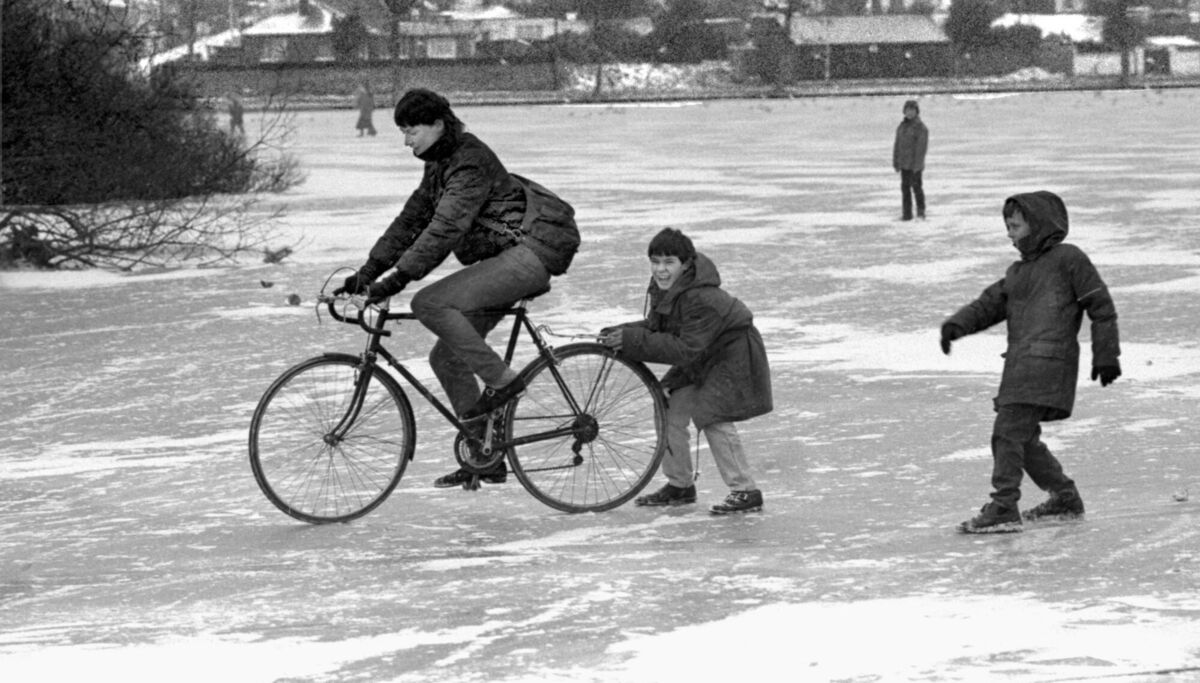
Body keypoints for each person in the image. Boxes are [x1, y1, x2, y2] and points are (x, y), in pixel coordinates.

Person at [334, 88, 580, 487]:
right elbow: (411, 221)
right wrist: (368, 272)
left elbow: (445, 228)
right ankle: (485, 454)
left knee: (428, 302)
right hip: (506, 259)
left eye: (411, 131)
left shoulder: (469, 162)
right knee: (447, 359)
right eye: (402, 132)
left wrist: (397, 279)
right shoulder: (440, 163)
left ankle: (504, 382)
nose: (406, 140)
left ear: (438, 124)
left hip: (529, 256)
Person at [940, 191, 1121, 534]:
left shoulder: (1069, 259)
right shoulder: (1018, 271)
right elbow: (989, 305)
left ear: (1036, 225)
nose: (1009, 233)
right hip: (1022, 366)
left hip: (1049, 364)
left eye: (1015, 226)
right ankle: (1064, 496)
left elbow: (1101, 306)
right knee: (1022, 438)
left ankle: (1004, 506)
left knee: (1007, 433)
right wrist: (957, 325)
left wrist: (1107, 354)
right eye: (1007, 226)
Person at [599, 228, 773, 515]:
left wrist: (630, 341)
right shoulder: (666, 288)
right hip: (701, 352)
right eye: (655, 261)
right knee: (668, 407)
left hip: (732, 353)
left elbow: (684, 349)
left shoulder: (701, 297)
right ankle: (680, 486)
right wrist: (624, 332)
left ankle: (746, 491)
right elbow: (659, 328)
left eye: (669, 262)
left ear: (686, 263)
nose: (660, 269)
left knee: (712, 414)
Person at [892, 99, 927, 220]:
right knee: (905, 189)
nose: (910, 113)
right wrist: (896, 161)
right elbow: (897, 145)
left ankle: (921, 212)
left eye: (912, 110)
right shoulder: (901, 127)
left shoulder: (920, 128)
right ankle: (907, 214)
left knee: (917, 188)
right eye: (908, 110)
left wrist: (917, 166)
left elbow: (921, 149)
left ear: (917, 112)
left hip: (914, 165)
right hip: (904, 165)